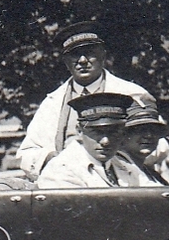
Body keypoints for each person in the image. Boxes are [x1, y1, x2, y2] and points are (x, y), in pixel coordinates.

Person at [18, 23, 155, 180]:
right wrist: (56, 160)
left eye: (90, 53)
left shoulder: (131, 94)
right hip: (67, 183)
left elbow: (159, 144)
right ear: (65, 60)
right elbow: (27, 153)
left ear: (103, 55)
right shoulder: (52, 103)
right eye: (75, 55)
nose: (82, 60)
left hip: (123, 183)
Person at [37, 92, 135, 189]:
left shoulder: (121, 164)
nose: (105, 141)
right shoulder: (61, 170)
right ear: (79, 131)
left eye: (113, 132)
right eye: (96, 132)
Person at [117, 103, 169, 186]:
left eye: (154, 130)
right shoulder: (118, 169)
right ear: (124, 134)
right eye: (140, 130)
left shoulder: (151, 173)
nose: (149, 136)